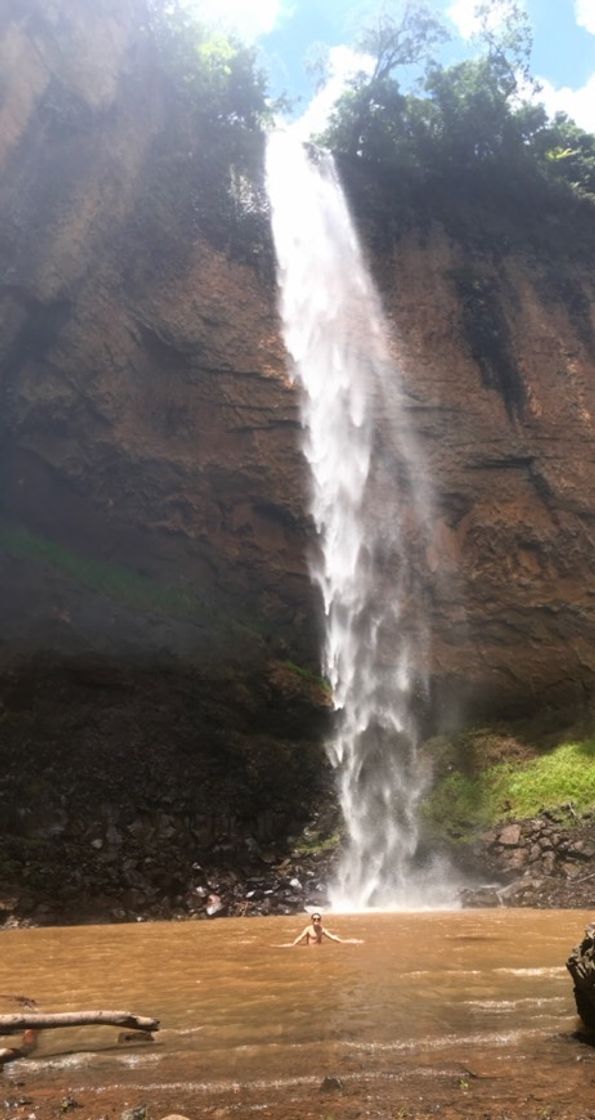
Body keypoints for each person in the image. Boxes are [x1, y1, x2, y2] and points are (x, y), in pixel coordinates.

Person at [289, 912, 362, 946]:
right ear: (312, 920)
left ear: (320, 920)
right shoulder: (308, 929)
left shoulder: (322, 930)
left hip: (319, 948)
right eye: (314, 919)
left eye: (318, 919)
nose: (316, 920)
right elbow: (300, 937)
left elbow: (333, 938)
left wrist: (348, 941)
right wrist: (293, 944)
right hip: (310, 949)